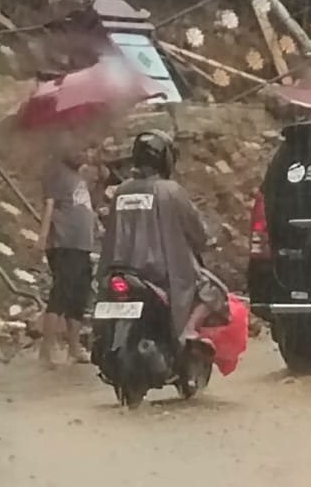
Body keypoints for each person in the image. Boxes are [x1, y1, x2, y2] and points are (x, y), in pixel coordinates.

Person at [97, 130, 227, 352]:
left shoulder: (121, 190)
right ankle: (187, 331)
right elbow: (194, 227)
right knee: (212, 290)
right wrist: (207, 241)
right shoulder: (171, 190)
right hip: (160, 271)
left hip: (119, 267)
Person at [37, 146, 95, 366]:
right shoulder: (55, 172)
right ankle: (47, 349)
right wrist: (42, 237)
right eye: (80, 149)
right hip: (64, 243)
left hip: (82, 245)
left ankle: (74, 347)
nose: (84, 153)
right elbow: (49, 206)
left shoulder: (78, 176)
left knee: (79, 295)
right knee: (61, 294)